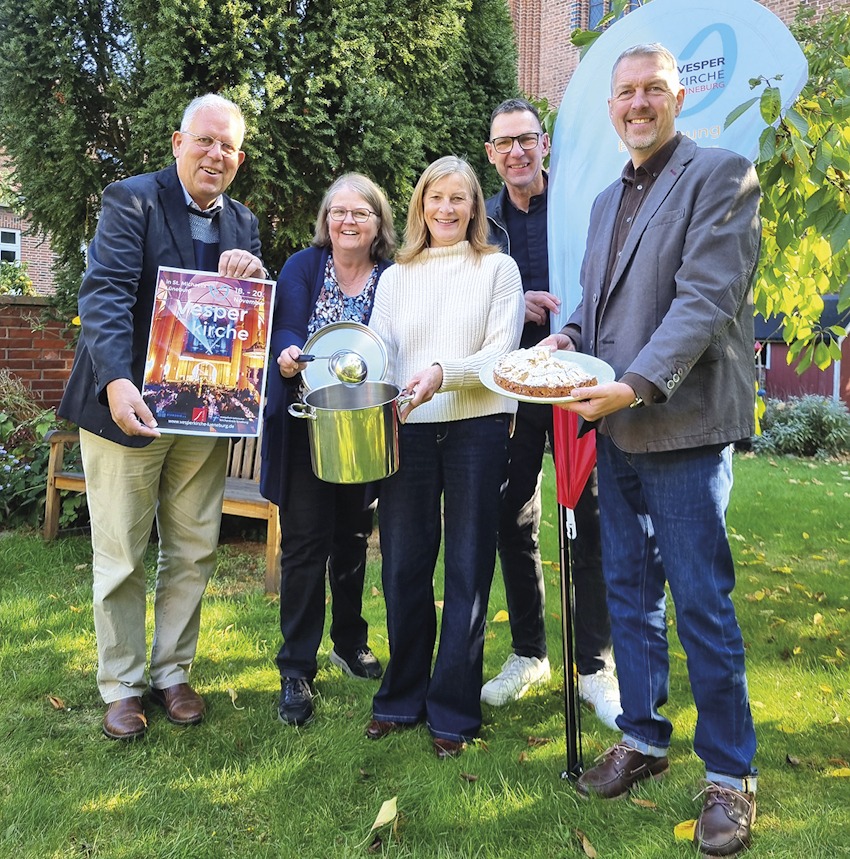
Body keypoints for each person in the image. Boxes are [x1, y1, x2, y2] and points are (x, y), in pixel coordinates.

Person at [544, 44, 760, 856]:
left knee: (702, 600)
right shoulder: (606, 200)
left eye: (651, 90)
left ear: (677, 96)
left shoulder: (721, 175)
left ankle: (729, 777)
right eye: (624, 93)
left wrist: (632, 384)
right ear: (611, 108)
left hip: (683, 426)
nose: (637, 103)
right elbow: (600, 306)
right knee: (630, 596)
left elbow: (705, 301)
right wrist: (570, 334)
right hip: (619, 431)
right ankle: (643, 736)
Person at [59, 94, 265, 740]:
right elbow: (106, 293)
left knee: (194, 546)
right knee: (121, 549)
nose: (216, 155)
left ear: (239, 156)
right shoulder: (133, 199)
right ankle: (121, 685)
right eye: (205, 141)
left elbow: (244, 316)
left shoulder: (244, 223)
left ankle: (172, 672)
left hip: (202, 417)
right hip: (130, 407)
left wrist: (254, 275)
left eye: (228, 146)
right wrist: (117, 381)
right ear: (178, 142)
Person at [364, 156, 524, 758]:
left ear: (475, 208)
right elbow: (379, 347)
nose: (448, 209)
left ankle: (453, 708)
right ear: (421, 207)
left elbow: (499, 355)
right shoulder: (397, 275)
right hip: (409, 428)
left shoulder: (498, 269)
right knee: (404, 565)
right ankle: (401, 696)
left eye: (460, 199)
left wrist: (443, 372)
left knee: (467, 568)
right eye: (437, 198)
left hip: (477, 429)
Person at [481, 98, 621, 729]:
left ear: (544, 144)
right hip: (513, 386)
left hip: (576, 383)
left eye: (527, 139)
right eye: (504, 143)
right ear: (491, 154)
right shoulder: (481, 222)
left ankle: (593, 665)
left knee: (585, 517)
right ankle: (529, 652)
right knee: (512, 515)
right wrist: (518, 310)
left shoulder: (582, 203)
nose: (517, 151)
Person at [260, 173, 396, 726]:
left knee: (353, 538)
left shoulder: (392, 277)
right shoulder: (302, 266)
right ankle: (296, 668)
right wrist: (288, 351)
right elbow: (283, 326)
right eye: (338, 212)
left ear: (378, 222)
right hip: (306, 425)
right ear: (326, 220)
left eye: (360, 213)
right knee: (305, 546)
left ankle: (348, 641)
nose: (347, 222)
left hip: (363, 428)